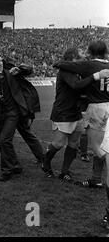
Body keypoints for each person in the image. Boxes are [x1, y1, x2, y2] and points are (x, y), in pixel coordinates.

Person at [42, 48, 106, 181]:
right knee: (59, 143)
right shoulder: (65, 71)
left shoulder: (79, 71)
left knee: (74, 143)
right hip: (63, 112)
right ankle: (45, 162)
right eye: (81, 54)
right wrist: (95, 76)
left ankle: (65, 172)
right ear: (73, 57)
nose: (84, 57)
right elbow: (76, 85)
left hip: (76, 112)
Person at [0, 52, 40, 181]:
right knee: (3, 142)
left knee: (4, 140)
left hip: (13, 112)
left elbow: (29, 70)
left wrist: (20, 69)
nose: (0, 63)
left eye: (1, 60)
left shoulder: (10, 72)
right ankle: (16, 166)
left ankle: (7, 171)